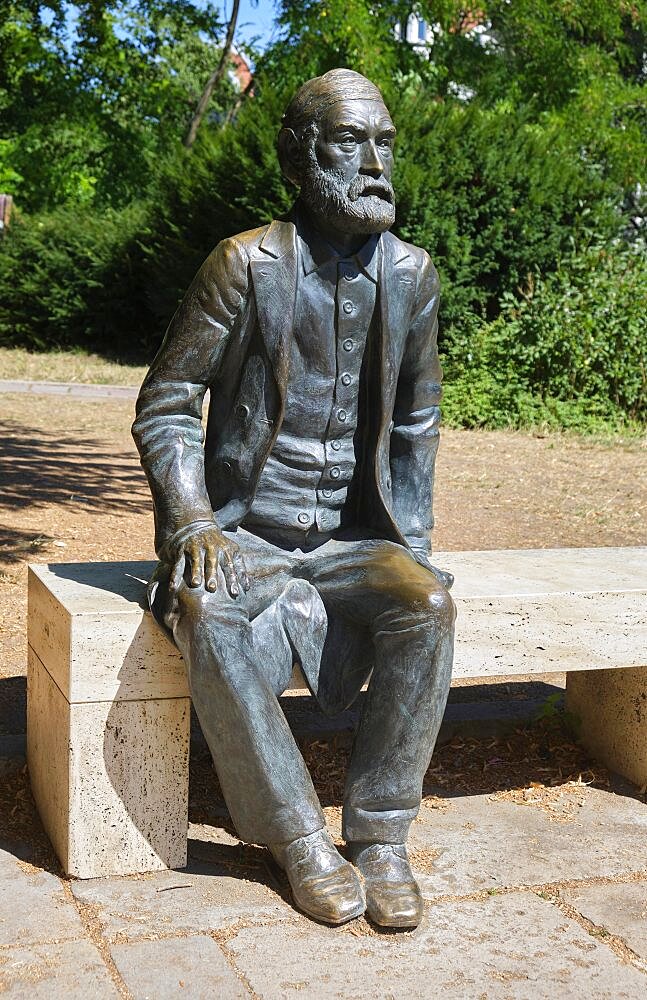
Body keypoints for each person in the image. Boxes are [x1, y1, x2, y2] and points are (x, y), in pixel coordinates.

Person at [133, 68, 455, 929]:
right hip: (248, 530)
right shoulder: (244, 264)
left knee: (424, 603)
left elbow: (417, 421)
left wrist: (411, 541)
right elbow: (167, 404)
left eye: (384, 143)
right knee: (210, 613)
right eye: (352, 143)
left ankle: (381, 837)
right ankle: (297, 839)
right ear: (301, 157)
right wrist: (193, 521)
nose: (375, 163)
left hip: (354, 535)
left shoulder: (413, 276)